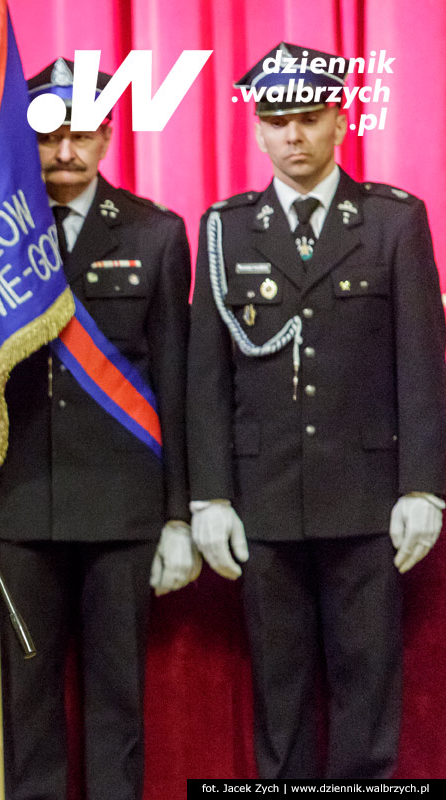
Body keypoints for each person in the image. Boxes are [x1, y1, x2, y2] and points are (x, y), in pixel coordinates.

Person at [188, 43, 446, 779]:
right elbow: (204, 377)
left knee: (368, 688)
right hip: (262, 497)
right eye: (277, 121)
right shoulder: (225, 229)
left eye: (308, 118)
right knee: (279, 687)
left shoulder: (393, 222)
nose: (293, 136)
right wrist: (209, 494)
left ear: (341, 122)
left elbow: (422, 364)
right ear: (259, 131)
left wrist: (423, 485)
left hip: (367, 499)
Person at [0, 57, 199, 800]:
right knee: (26, 704)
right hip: (17, 503)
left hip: (123, 507)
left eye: (83, 134)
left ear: (109, 135)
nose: (66, 153)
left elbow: (179, 386)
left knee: (119, 703)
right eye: (49, 138)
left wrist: (180, 514)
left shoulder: (157, 232)